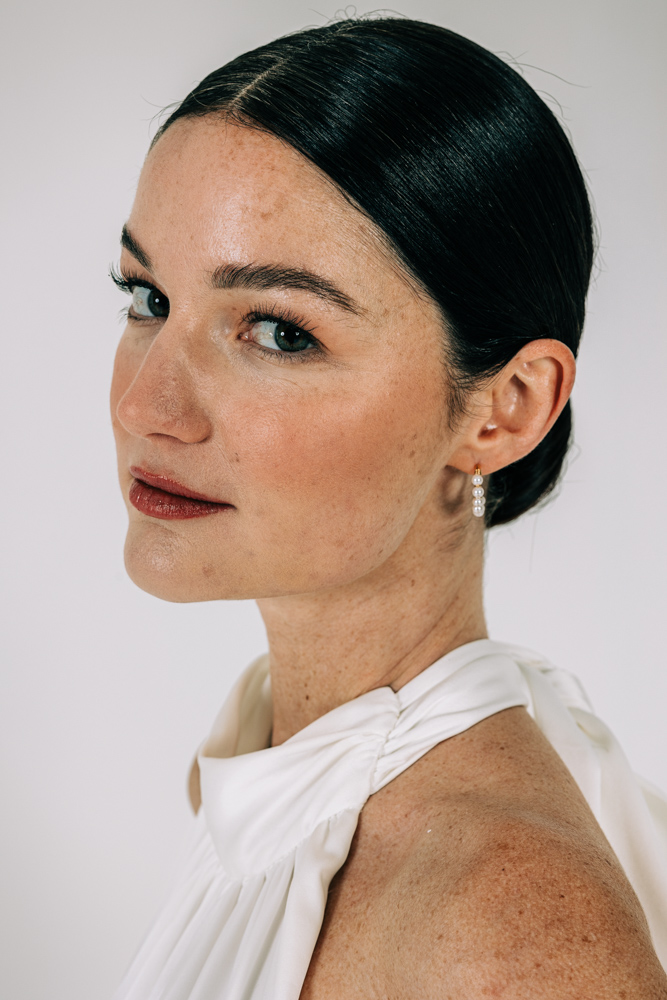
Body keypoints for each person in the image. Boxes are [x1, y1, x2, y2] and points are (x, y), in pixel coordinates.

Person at [109, 16, 667, 999]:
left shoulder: (503, 933)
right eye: (150, 299)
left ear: (505, 408)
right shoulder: (272, 780)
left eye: (278, 330)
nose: (145, 406)